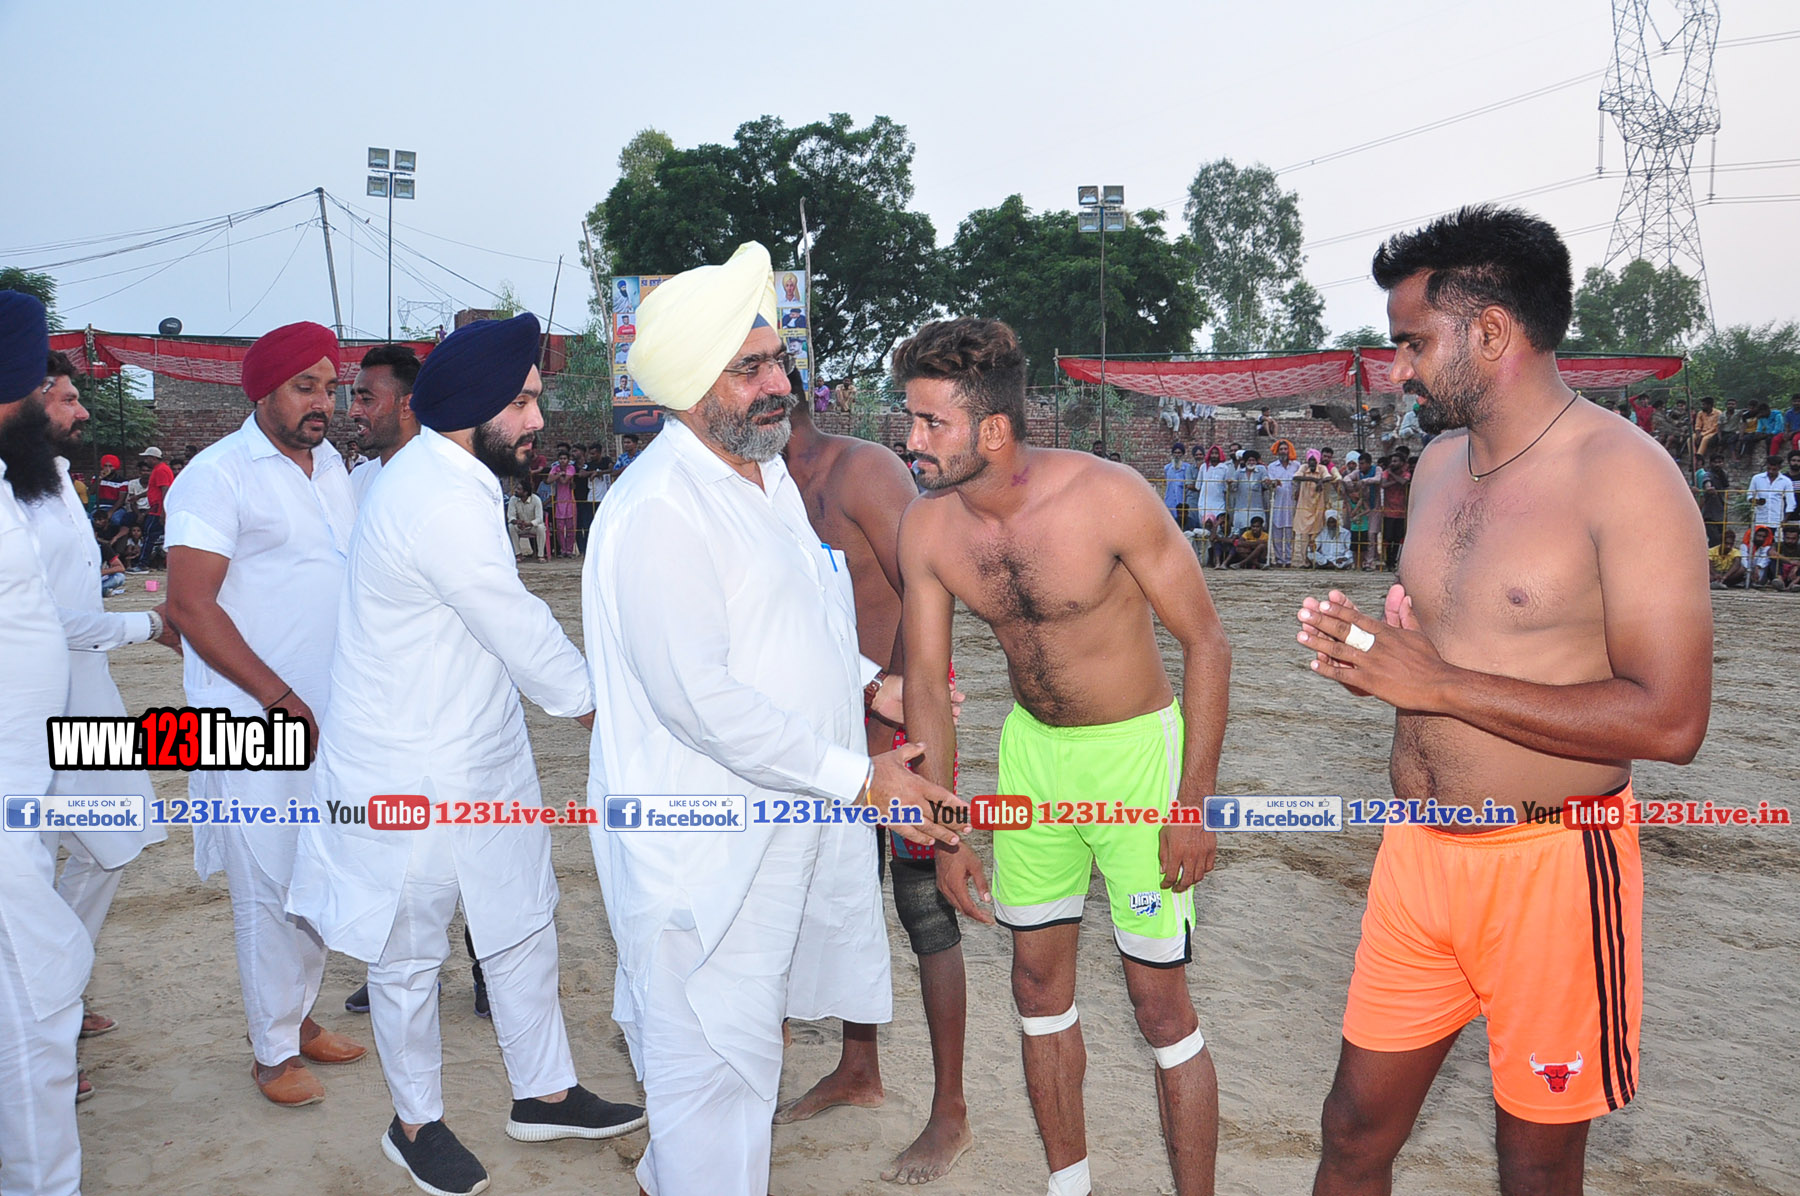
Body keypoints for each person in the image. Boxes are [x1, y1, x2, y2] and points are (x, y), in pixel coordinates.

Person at [1295, 205, 1711, 1195]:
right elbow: (1468, 648)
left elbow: (1671, 719)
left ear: (1490, 332)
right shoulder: (1439, 465)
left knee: (1534, 1163)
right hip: (1417, 853)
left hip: (1554, 868)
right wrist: (1389, 651)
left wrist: (1437, 680)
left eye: (1412, 342)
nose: (1396, 370)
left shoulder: (1627, 478)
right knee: (1352, 1130)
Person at [581, 242, 958, 1196]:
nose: (778, 385)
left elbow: (793, 629)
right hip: (701, 852)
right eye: (748, 369)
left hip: (775, 827)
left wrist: (870, 686)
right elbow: (700, 700)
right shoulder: (661, 509)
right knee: (709, 1072)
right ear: (687, 385)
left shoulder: (766, 478)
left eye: (778, 361)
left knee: (745, 1066)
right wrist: (860, 776)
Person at [288, 314, 645, 1196]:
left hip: (480, 752)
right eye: (521, 402)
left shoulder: (455, 478)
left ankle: (546, 1093)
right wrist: (608, 715)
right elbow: (518, 627)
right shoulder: (436, 497)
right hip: (407, 769)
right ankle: (414, 1124)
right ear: (476, 409)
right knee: (408, 956)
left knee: (521, 920)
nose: (537, 420)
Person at [896, 316, 1229, 1196]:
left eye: (931, 422)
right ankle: (1068, 1186)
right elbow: (925, 681)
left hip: (1137, 759)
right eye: (911, 419)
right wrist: (945, 828)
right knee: (1037, 991)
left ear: (992, 431)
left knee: (1159, 1004)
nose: (912, 440)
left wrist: (1192, 802)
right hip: (1033, 759)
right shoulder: (927, 529)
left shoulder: (1109, 497)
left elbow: (1206, 641)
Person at [164, 321, 366, 1107]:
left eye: (330, 387)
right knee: (266, 881)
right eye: (304, 387)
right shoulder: (217, 476)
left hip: (329, 713)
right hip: (251, 717)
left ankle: (300, 1016)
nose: (323, 403)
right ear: (262, 391)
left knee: (316, 869)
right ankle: (271, 1052)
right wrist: (277, 695)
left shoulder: (335, 467)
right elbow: (190, 606)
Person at [778, 374, 974, 1184]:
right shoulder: (753, 487)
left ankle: (951, 1112)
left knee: (925, 907)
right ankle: (859, 1067)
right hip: (824, 736)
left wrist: (899, 703)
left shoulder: (859, 470)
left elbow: (929, 587)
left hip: (903, 717)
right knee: (841, 899)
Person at [17, 350, 176, 1062]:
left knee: (111, 844)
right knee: (30, 863)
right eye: (67, 398)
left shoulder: (51, 474)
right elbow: (38, 619)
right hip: (29, 713)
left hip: (87, 704)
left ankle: (57, 993)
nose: (82, 411)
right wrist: (147, 624)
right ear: (24, 399)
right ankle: (38, 1026)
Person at [0, 291, 93, 1196]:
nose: (54, 402)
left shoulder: (20, 480)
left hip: (38, 767)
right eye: (40, 386)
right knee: (38, 994)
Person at [347, 343, 422, 507]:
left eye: (367, 400)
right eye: (354, 399)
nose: (352, 412)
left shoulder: (443, 482)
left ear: (406, 405)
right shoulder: (358, 479)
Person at [1292, 449, 1335, 563]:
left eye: (1314, 460)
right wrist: (1314, 479)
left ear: (1318, 461)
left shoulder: (1322, 468)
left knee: (1315, 535)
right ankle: (1304, 561)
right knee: (1304, 535)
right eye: (1310, 460)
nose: (1312, 463)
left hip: (1317, 506)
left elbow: (1329, 477)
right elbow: (1295, 477)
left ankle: (1314, 561)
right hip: (1304, 506)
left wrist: (1321, 481)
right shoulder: (1303, 467)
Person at [1264, 441, 1298, 564]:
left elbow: (1299, 483)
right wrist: (1273, 483)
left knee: (1289, 532)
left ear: (1289, 451)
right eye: (1281, 449)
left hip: (1291, 502)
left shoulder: (1296, 465)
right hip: (1277, 501)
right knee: (1277, 532)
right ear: (1277, 452)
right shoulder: (1272, 466)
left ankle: (1288, 560)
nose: (1283, 451)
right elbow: (1269, 483)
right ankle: (1279, 559)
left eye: (1285, 449)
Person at [1378, 449, 1412, 570]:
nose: (1393, 463)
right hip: (1388, 511)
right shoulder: (1386, 473)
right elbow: (1383, 484)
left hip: (1401, 512)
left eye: (1395, 461)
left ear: (1402, 463)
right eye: (1392, 461)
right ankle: (1388, 561)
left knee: (1398, 539)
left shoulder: (1406, 473)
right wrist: (1395, 480)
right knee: (1387, 538)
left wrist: (1392, 477)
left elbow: (1404, 482)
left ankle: (1394, 561)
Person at [140, 445, 174, 567]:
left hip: (157, 509)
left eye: (147, 458)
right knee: (153, 536)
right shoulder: (160, 469)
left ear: (153, 458)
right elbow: (155, 489)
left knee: (149, 535)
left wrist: (163, 511)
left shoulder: (160, 470)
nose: (146, 461)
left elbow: (165, 489)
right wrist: (138, 496)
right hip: (157, 507)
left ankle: (143, 563)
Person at [1748, 454, 1795, 531]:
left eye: (1774, 469)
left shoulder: (1786, 481)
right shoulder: (1756, 478)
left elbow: (1791, 503)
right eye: (1769, 468)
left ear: (1779, 468)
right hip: (1759, 520)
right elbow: (1749, 495)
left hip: (1776, 521)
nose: (1771, 471)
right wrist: (1756, 501)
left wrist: (1784, 520)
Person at [1227, 448, 1267, 534]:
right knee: (1241, 534)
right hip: (1241, 509)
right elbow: (1233, 488)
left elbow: (1265, 485)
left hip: (1257, 509)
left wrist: (1267, 482)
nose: (1251, 462)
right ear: (1245, 462)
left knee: (1257, 534)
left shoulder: (1261, 470)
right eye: (1249, 460)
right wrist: (1230, 483)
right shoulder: (1238, 473)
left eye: (1253, 460)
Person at [1193, 444, 1231, 531]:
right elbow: (1198, 486)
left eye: (1216, 453)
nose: (1214, 455)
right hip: (1204, 501)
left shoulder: (1224, 468)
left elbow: (1226, 488)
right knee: (1204, 524)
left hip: (1219, 501)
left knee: (1218, 525)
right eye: (1212, 453)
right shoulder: (1204, 467)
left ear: (1219, 455)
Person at [549, 446, 578, 556]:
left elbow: (565, 481)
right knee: (560, 528)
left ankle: (569, 550)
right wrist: (559, 474)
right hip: (559, 501)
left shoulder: (571, 468)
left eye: (565, 458)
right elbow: (548, 480)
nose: (562, 461)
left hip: (570, 500)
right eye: (560, 459)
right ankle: (563, 549)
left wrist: (559, 475)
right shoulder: (555, 468)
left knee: (570, 528)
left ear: (568, 460)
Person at [509, 477, 547, 560]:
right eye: (516, 488)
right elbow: (510, 516)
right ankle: (518, 554)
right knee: (511, 527)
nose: (516, 490)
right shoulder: (513, 499)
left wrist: (529, 524)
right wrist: (517, 522)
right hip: (520, 526)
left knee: (541, 527)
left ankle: (541, 555)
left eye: (519, 489)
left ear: (525, 492)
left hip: (533, 526)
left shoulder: (536, 499)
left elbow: (539, 518)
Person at [1161, 442, 1196, 529]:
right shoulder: (1167, 468)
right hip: (1170, 500)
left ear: (1183, 454)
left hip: (1182, 499)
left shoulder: (1187, 468)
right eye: (1175, 453)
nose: (1177, 455)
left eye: (1179, 453)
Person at [1697, 455, 1730, 547]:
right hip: (1710, 514)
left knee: (1721, 539)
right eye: (1715, 462)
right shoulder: (1708, 475)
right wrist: (1709, 488)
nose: (1717, 464)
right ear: (1711, 463)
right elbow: (1707, 482)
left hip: (1721, 513)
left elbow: (1726, 485)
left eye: (1720, 462)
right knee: (1714, 539)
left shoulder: (1724, 475)